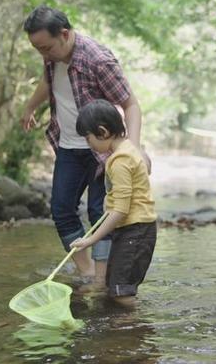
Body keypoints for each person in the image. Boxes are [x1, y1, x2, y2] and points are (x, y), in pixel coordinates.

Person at [20, 5, 149, 287]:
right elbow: (48, 79)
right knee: (61, 209)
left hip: (102, 150)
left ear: (64, 34)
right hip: (67, 145)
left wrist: (134, 148)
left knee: (98, 212)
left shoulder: (98, 60)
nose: (43, 54)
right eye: (38, 49)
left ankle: (101, 280)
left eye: (46, 48)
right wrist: (31, 105)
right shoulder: (51, 55)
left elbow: (131, 104)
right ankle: (87, 271)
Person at [70, 100, 157, 306]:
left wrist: (90, 240)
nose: (88, 143)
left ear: (102, 132)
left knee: (120, 293)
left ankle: (137, 324)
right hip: (133, 231)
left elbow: (120, 210)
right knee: (115, 288)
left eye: (88, 137)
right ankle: (124, 327)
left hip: (135, 233)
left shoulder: (121, 160)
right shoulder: (129, 149)